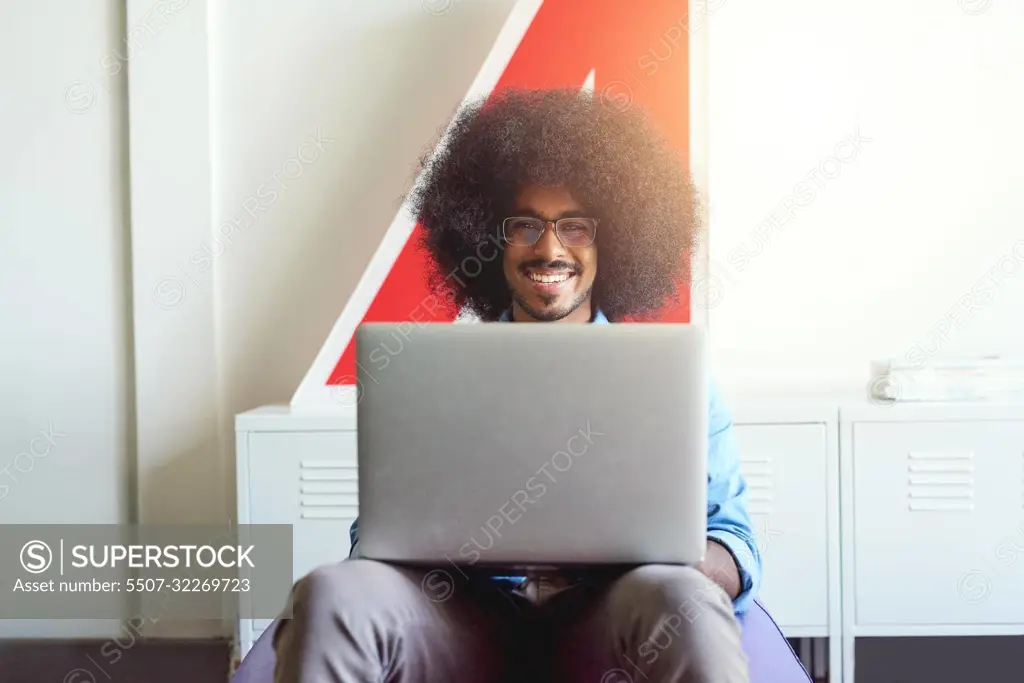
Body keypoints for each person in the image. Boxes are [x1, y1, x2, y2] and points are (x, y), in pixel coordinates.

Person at [273, 87, 761, 683]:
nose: (550, 248)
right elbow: (376, 536)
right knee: (332, 592)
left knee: (684, 601)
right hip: (460, 620)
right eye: (524, 224)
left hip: (609, 620)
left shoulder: (673, 376)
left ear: (618, 239)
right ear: (486, 237)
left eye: (576, 226)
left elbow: (733, 543)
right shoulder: (433, 373)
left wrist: (665, 562)